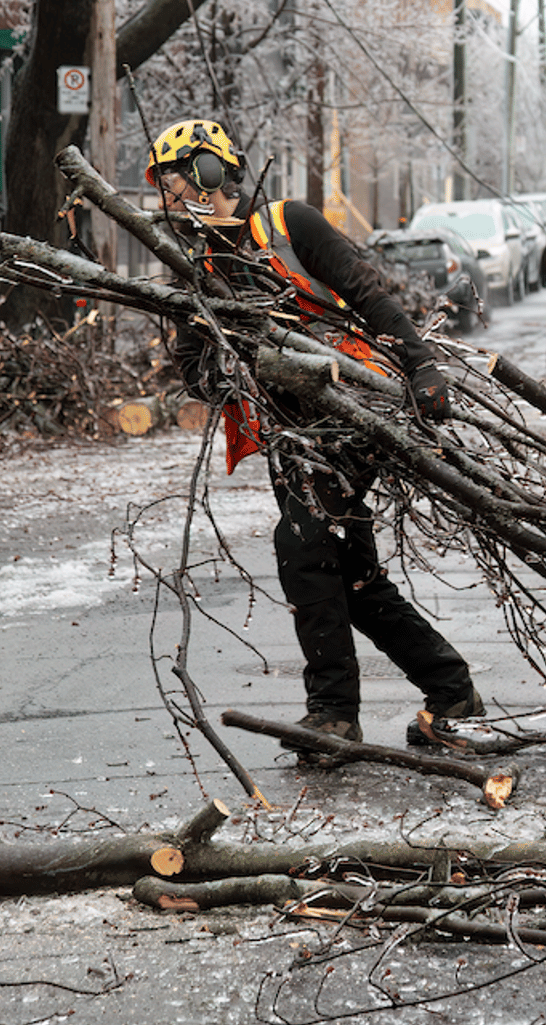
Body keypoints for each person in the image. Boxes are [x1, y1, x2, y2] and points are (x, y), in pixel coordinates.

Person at [147, 118, 486, 758]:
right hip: (288, 430)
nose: (166, 200)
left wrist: (421, 366)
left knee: (305, 546)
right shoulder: (194, 267)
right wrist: (217, 355)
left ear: (207, 173)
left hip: (351, 409)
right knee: (349, 571)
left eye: (171, 181)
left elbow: (368, 295)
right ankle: (449, 688)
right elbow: (195, 374)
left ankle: (332, 714)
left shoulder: (289, 224)